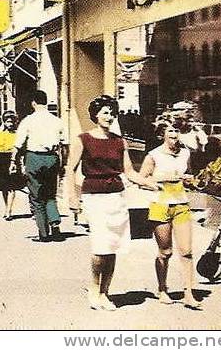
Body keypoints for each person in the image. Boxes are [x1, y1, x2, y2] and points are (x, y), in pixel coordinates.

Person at [67, 95, 158, 311]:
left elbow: (129, 172)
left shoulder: (120, 141)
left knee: (113, 247)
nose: (110, 116)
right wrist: (72, 196)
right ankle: (93, 288)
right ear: (96, 115)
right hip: (94, 196)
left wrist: (149, 183)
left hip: (116, 197)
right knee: (101, 246)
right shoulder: (83, 139)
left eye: (112, 112)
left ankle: (105, 293)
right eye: (105, 112)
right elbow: (70, 169)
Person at [140, 120, 201, 309]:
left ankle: (188, 294)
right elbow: (142, 179)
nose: (175, 134)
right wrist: (164, 178)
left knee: (187, 251)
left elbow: (189, 175)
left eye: (177, 131)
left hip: (181, 204)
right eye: (171, 131)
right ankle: (162, 288)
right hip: (161, 205)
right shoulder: (154, 155)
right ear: (162, 134)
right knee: (165, 252)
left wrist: (190, 180)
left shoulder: (185, 153)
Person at [11, 90, 66, 242]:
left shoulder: (28, 121)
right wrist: (63, 164)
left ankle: (43, 233)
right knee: (50, 194)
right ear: (46, 102)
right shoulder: (57, 120)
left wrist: (12, 163)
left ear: (33, 103)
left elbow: (18, 144)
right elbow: (64, 144)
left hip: (34, 158)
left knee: (36, 196)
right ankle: (54, 223)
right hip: (52, 158)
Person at [0, 112, 19, 220]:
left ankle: (9, 211)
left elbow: (18, 148)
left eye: (12, 122)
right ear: (4, 122)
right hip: (1, 160)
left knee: (12, 187)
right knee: (3, 187)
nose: (10, 124)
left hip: (13, 160)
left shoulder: (17, 134)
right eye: (7, 121)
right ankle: (6, 207)